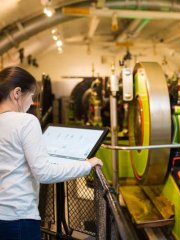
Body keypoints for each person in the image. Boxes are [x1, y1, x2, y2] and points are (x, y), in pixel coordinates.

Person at [0, 66, 103, 240]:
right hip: (19, 218)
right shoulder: (26, 122)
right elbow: (44, 173)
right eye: (31, 96)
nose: (31, 102)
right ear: (17, 93)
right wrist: (87, 165)